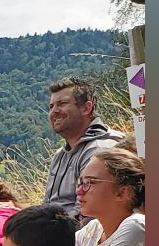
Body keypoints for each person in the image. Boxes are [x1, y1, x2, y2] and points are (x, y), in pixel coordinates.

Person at [42, 76, 125, 215]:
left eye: (62, 103)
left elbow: (89, 213)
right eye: (51, 106)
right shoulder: (60, 155)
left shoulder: (100, 150)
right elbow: (47, 204)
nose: (54, 111)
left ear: (86, 108)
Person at [73, 148, 145, 246]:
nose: (79, 191)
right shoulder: (93, 229)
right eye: (80, 183)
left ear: (122, 192)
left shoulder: (136, 225)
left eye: (89, 182)